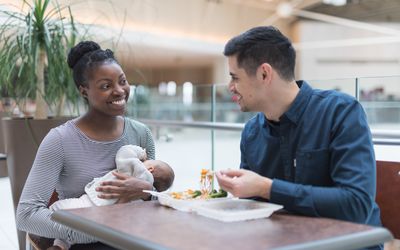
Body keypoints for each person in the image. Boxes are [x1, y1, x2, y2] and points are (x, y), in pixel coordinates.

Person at [215, 26, 381, 235]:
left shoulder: (340, 112)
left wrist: (266, 188)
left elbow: (356, 206)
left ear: (264, 74)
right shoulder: (251, 132)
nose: (230, 86)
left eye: (235, 77)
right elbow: (253, 211)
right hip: (283, 241)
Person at [16, 41, 168, 249]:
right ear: (83, 90)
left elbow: (153, 196)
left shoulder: (141, 134)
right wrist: (92, 231)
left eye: (122, 81)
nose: (119, 91)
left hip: (133, 236)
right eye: (106, 86)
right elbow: (26, 215)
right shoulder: (59, 140)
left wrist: (147, 190)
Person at [49, 145, 174, 250]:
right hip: (110, 220)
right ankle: (60, 245)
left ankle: (60, 244)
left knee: (57, 209)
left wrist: (141, 152)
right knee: (73, 231)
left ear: (150, 168)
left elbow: (124, 153)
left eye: (147, 161)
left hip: (94, 203)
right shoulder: (144, 193)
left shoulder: (138, 169)